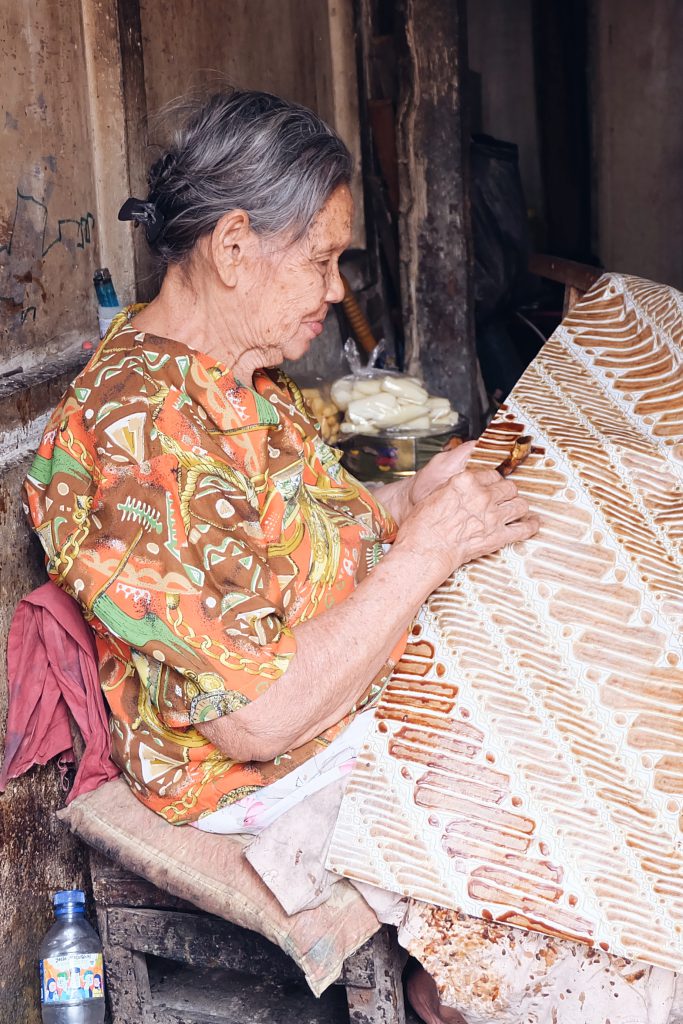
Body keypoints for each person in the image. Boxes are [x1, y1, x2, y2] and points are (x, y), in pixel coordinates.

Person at [24, 90, 537, 1024]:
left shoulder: (236, 380)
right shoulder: (143, 438)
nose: (336, 289)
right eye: (320, 259)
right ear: (231, 248)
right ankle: (461, 992)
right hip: (256, 767)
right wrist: (422, 555)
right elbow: (254, 718)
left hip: (330, 696)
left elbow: (306, 534)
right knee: (551, 801)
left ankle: (460, 982)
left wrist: (405, 500)